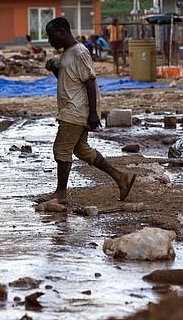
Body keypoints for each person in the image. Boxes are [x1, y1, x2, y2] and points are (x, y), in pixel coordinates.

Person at [44, 17, 136, 202]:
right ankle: (121, 178)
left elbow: (90, 81)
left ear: (63, 32)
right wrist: (55, 69)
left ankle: (61, 193)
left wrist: (94, 113)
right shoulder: (67, 54)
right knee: (81, 150)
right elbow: (70, 81)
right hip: (73, 109)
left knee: (61, 149)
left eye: (52, 36)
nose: (50, 40)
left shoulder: (79, 53)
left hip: (76, 111)